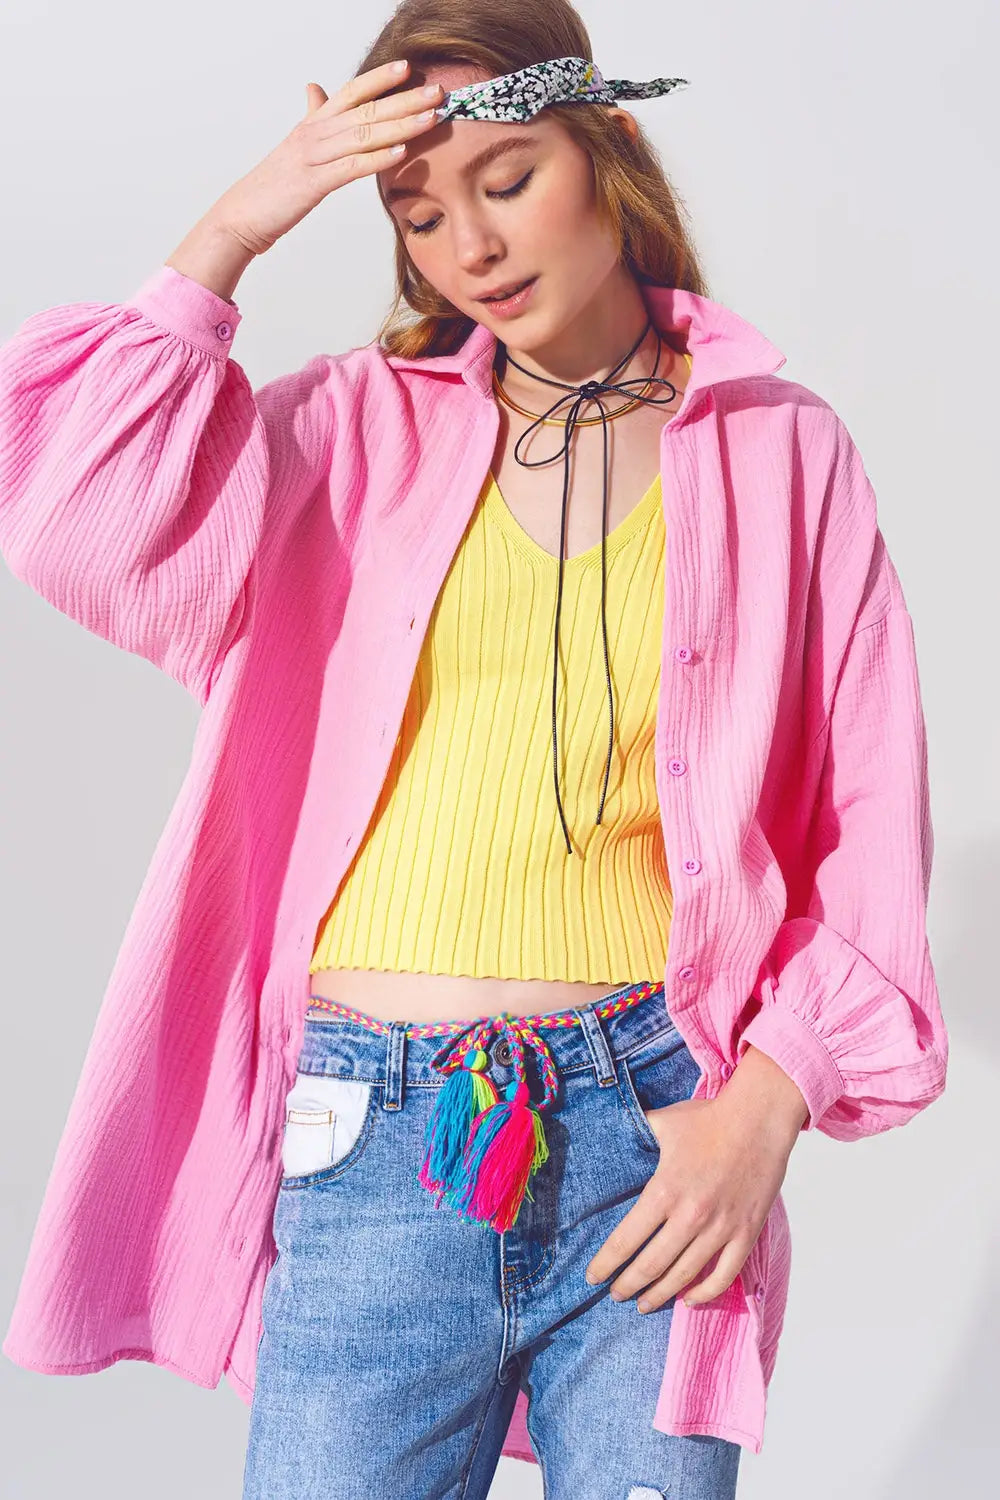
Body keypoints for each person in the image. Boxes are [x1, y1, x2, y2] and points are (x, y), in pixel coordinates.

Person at [0, 1, 948, 1496]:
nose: (472, 249)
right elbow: (77, 518)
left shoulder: (782, 450)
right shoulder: (344, 434)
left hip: (658, 1133)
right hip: (375, 1140)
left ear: (608, 151)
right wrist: (238, 227)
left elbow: (871, 827)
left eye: (506, 181)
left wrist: (761, 1118)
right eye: (418, 213)